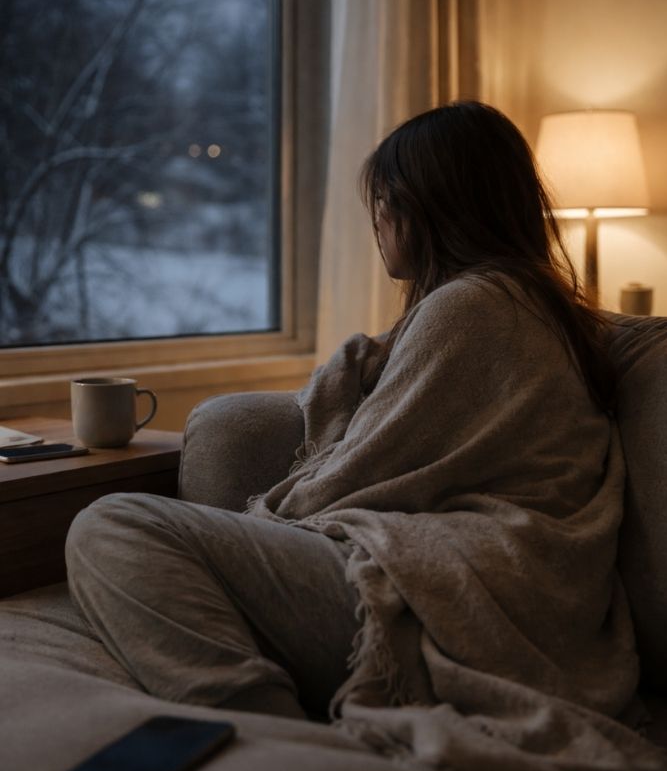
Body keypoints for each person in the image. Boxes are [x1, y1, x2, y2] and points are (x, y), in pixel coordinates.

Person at [65, 100, 633, 728]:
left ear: (429, 208)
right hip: (495, 589)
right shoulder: (524, 304)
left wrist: (266, 526)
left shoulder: (471, 308)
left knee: (111, 525)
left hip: (445, 591)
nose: (378, 221)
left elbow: (358, 475)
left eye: (385, 201)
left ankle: (259, 723)